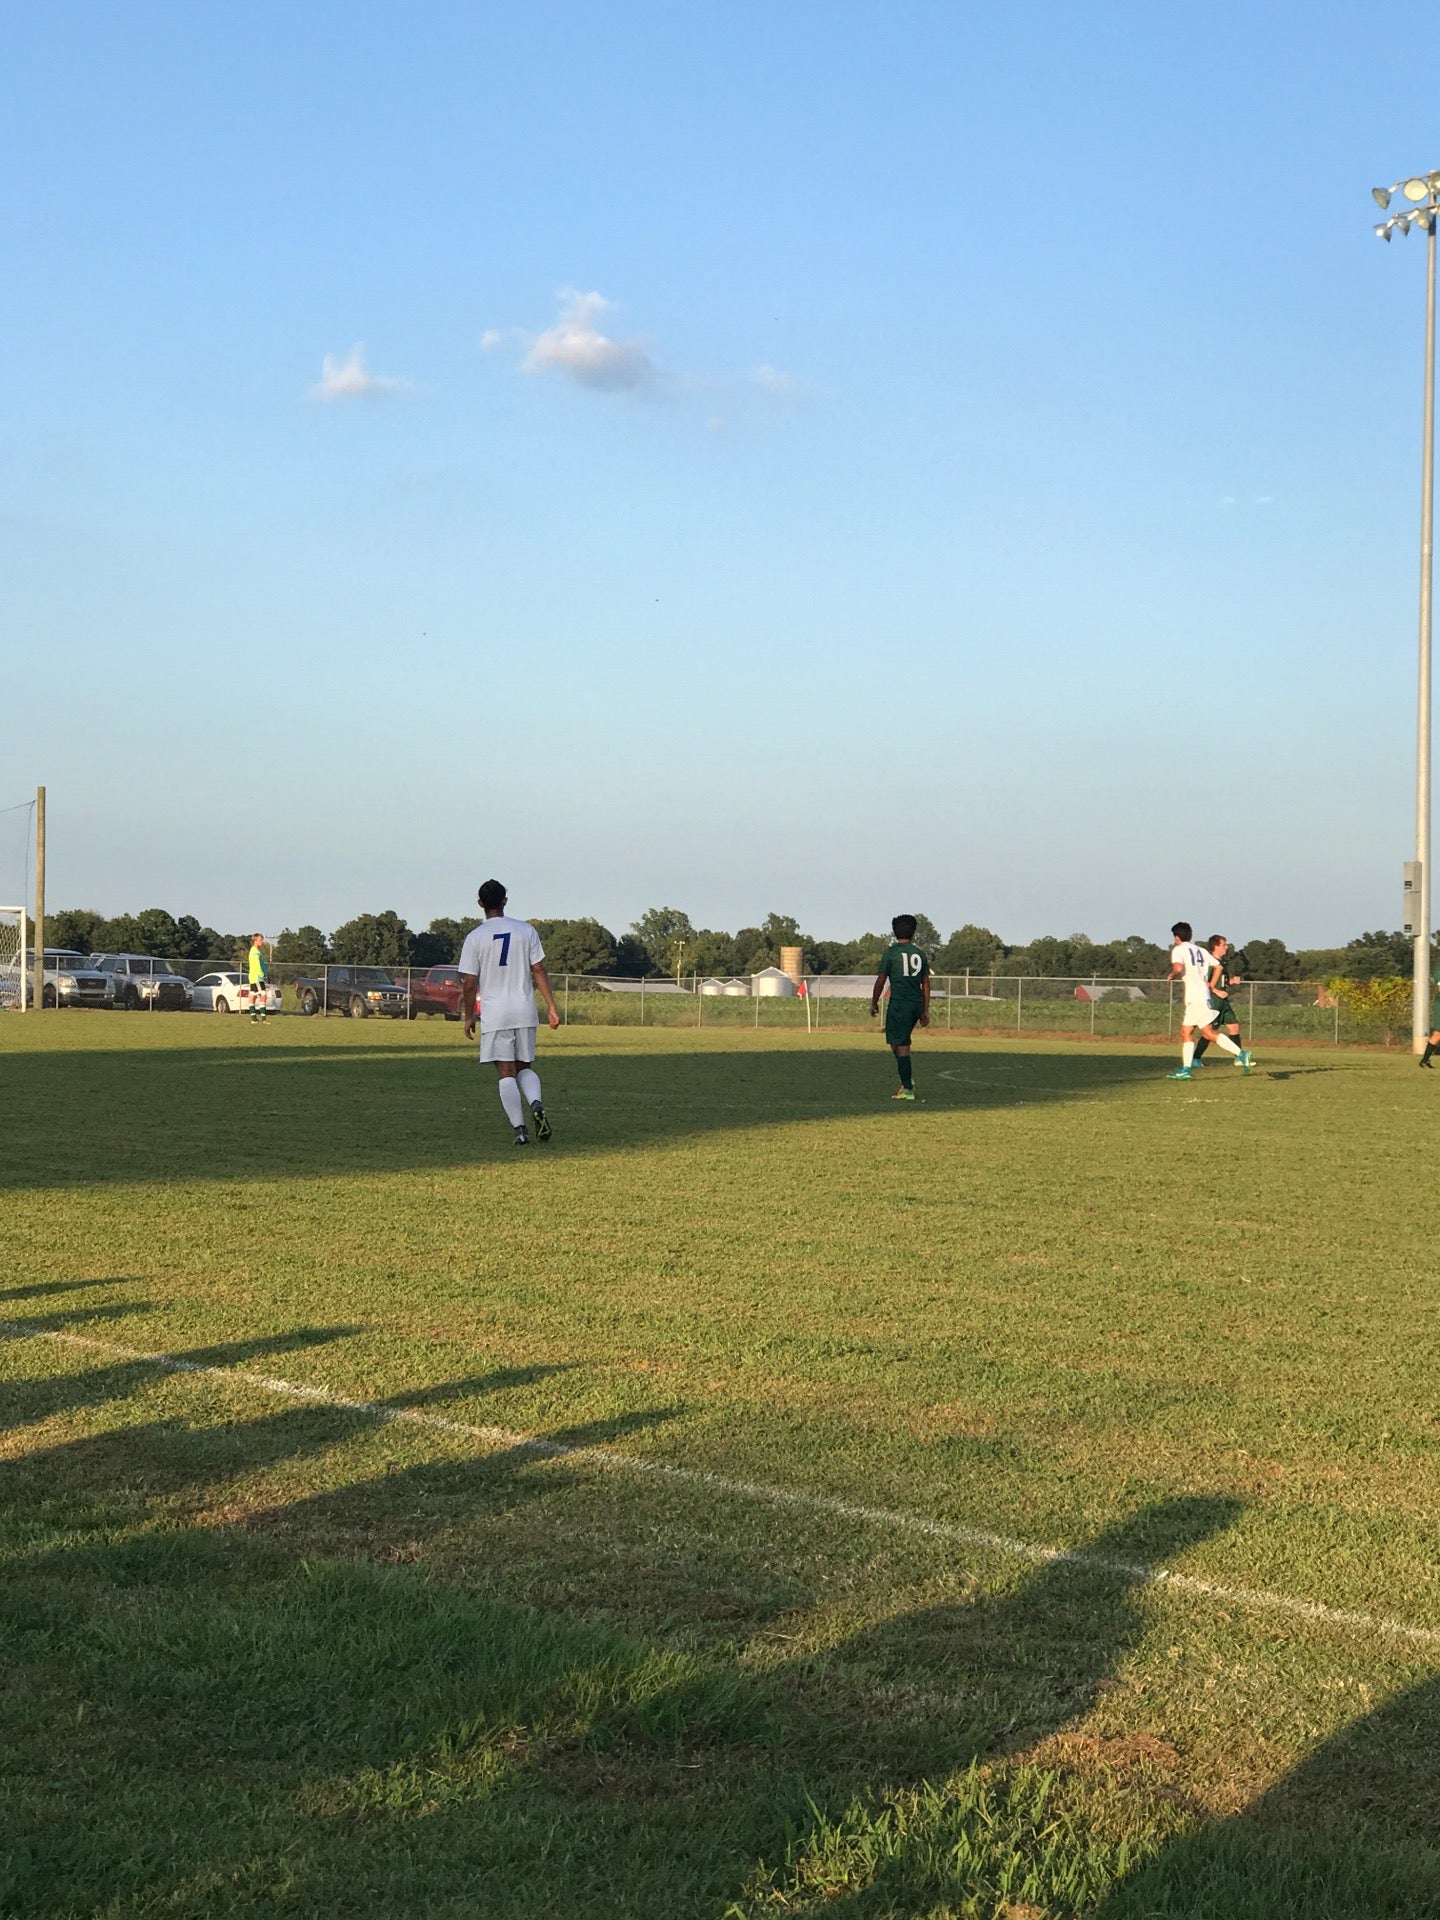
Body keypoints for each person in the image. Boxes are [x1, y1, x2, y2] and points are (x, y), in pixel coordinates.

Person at [458, 879, 561, 1146]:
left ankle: (520, 1131)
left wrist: (469, 1016)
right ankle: (536, 1103)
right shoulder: (525, 930)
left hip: (496, 1013)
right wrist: (551, 1007)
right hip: (524, 1009)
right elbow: (538, 969)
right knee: (524, 1066)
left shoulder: (475, 938)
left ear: (480, 904)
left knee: (506, 1072)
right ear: (505, 900)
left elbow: (469, 983)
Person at [1166, 921, 1251, 1081]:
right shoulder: (1200, 950)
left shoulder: (1178, 949)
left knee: (1201, 1033)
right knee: (1191, 1032)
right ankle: (1240, 1054)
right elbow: (1218, 967)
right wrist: (1211, 986)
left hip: (1195, 998)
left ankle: (1187, 1069)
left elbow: (1177, 968)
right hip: (1202, 996)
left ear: (1177, 937)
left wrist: (1172, 975)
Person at [870, 914, 930, 1101]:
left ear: (894, 932)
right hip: (916, 1002)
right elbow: (926, 983)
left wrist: (874, 1002)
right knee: (896, 1040)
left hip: (900, 1003)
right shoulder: (920, 954)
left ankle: (908, 1088)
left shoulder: (892, 953)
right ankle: (906, 1077)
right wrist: (925, 1009)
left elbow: (881, 980)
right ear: (913, 932)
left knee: (901, 1044)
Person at [1191, 935, 1244, 1066]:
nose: (1226, 947)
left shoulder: (1223, 963)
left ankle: (1239, 1058)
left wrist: (1231, 981)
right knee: (1209, 1031)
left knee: (1234, 1027)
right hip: (1213, 1001)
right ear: (1216, 946)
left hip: (1223, 1001)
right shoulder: (1209, 963)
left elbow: (1222, 982)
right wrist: (1216, 991)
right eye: (1224, 945)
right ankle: (1195, 1058)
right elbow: (1204, 983)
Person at [247, 933, 269, 1024]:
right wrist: (263, 975)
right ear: (255, 941)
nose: (262, 942)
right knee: (263, 995)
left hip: (253, 977)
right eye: (261, 940)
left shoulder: (255, 951)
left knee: (253, 995)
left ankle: (254, 1019)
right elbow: (257, 966)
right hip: (257, 978)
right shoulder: (255, 952)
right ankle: (263, 1019)